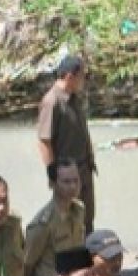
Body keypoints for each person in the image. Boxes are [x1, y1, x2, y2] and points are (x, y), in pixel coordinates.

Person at [36, 55, 97, 234]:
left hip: (84, 168)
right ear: (70, 77)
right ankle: (71, 260)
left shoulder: (74, 98)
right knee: (70, 221)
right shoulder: (52, 101)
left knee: (87, 217)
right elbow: (44, 141)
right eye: (82, 76)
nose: (84, 81)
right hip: (67, 174)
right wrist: (53, 174)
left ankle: (88, 258)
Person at [25, 159, 87, 276]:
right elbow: (27, 264)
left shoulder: (79, 210)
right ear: (52, 184)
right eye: (66, 182)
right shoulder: (42, 223)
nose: (73, 186)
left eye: (76, 180)